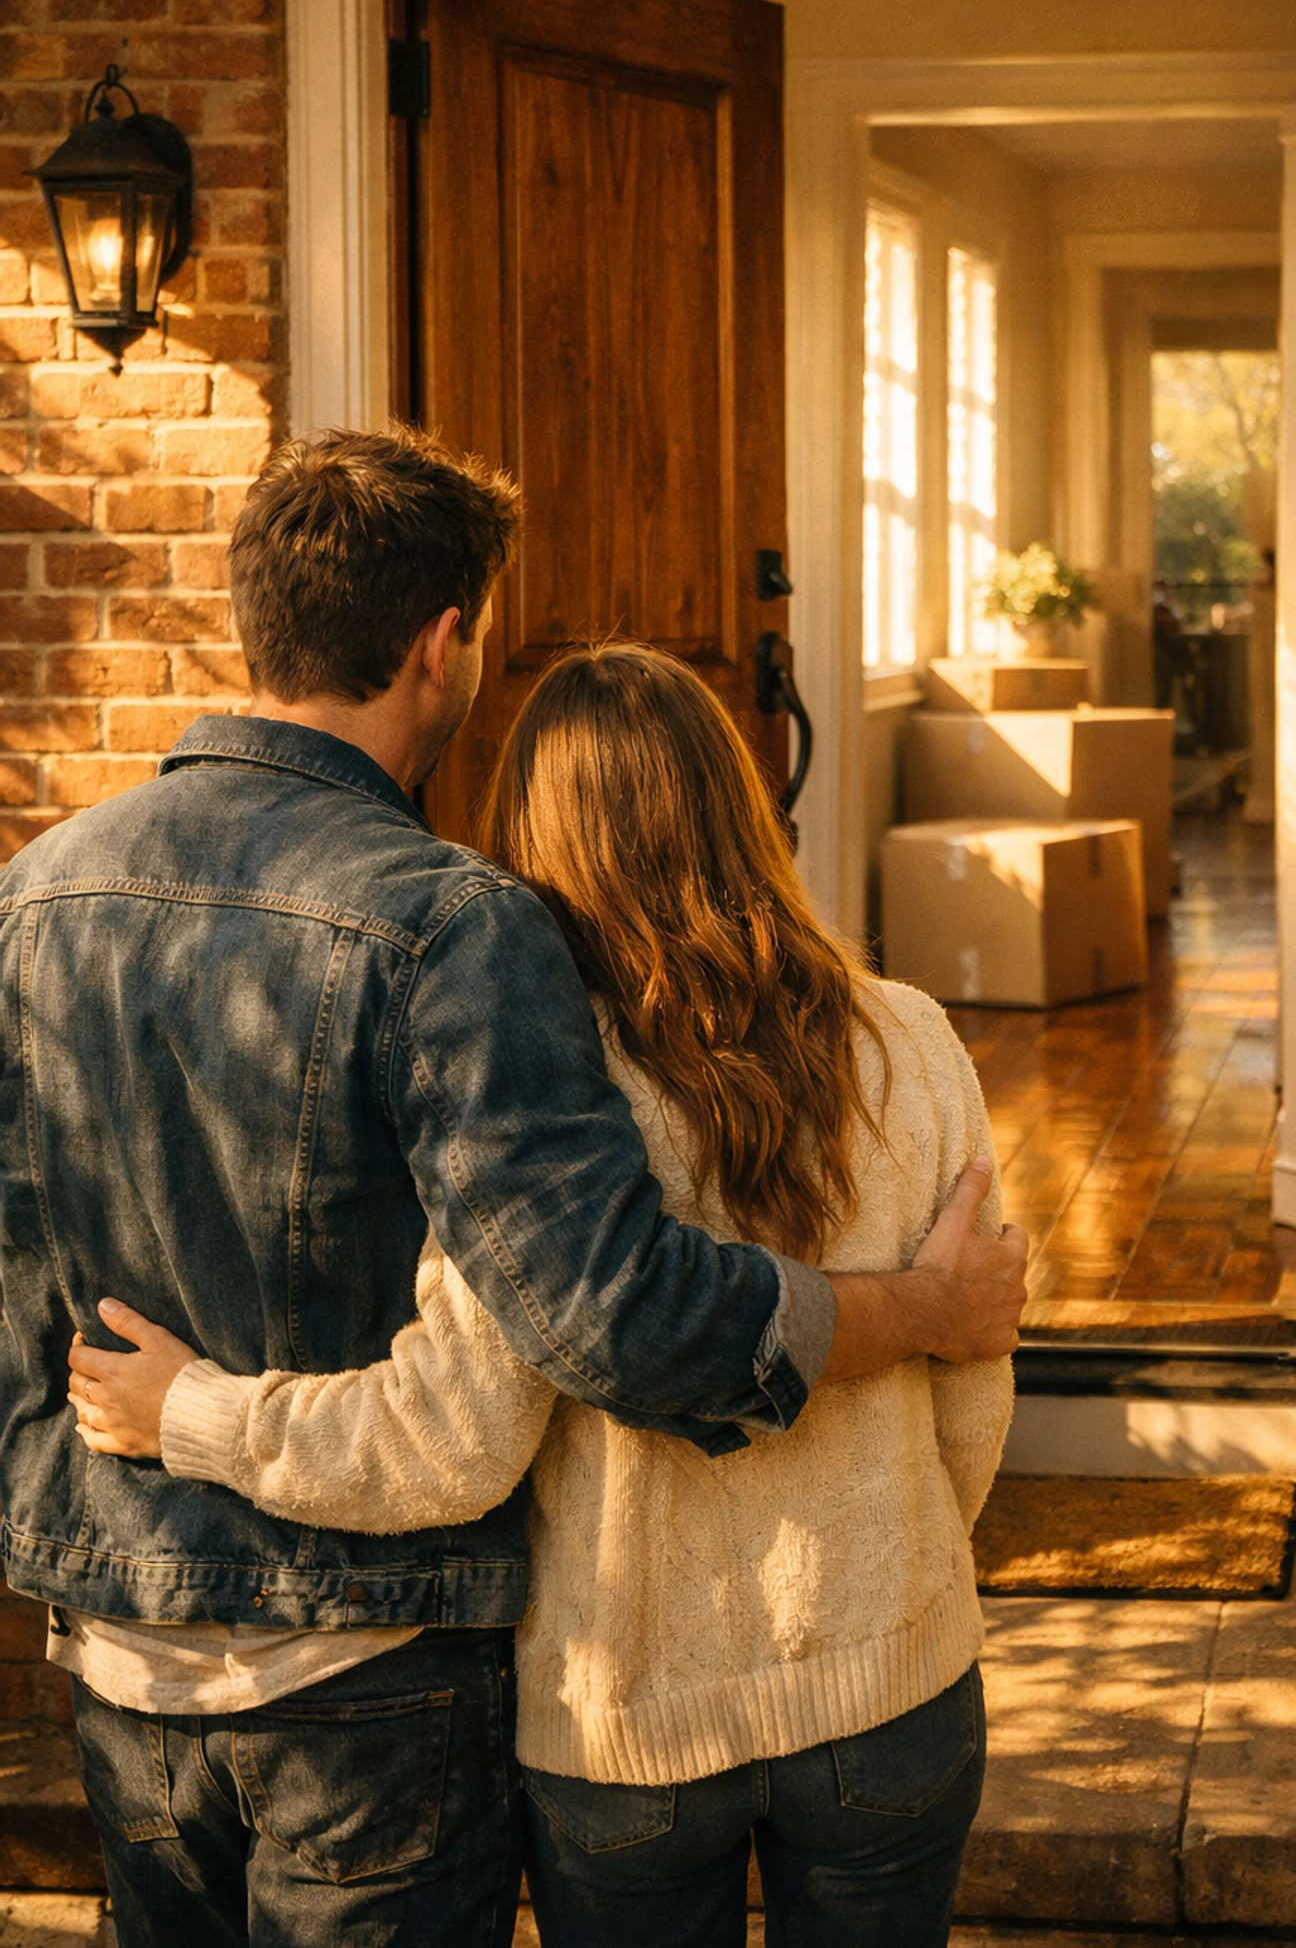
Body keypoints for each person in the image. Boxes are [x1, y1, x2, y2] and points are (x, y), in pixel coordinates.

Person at [0, 427, 1027, 1948]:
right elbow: (608, 1339)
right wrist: (928, 1340)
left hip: (145, 1651)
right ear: (443, 645)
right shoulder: (450, 936)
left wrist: (146, 1438)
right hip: (411, 1671)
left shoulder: (33, 893)